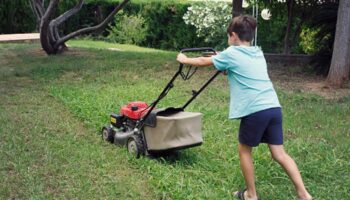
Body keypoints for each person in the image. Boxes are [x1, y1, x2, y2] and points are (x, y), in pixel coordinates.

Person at [176, 15, 312, 200]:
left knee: (244, 150)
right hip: (273, 107)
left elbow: (201, 62)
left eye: (228, 36)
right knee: (279, 153)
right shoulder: (258, 52)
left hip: (255, 110)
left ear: (233, 35)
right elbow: (236, 68)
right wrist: (222, 61)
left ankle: (251, 195)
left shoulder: (231, 53)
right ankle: (304, 194)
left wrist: (184, 59)